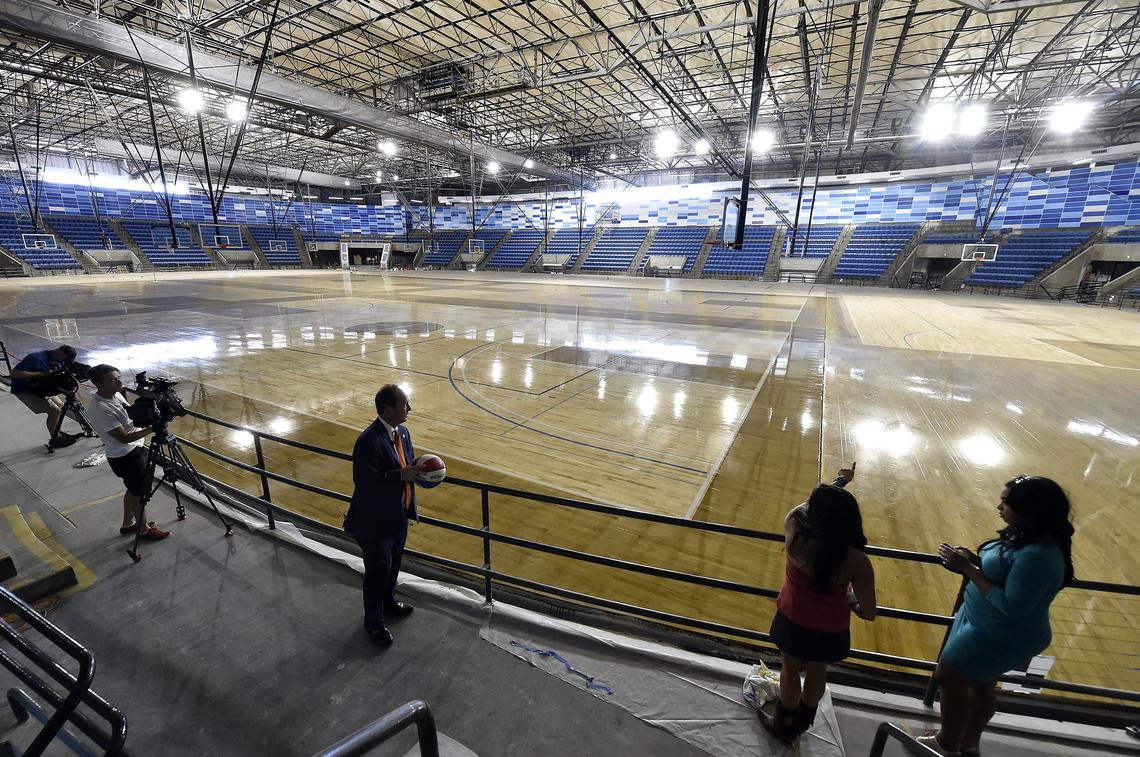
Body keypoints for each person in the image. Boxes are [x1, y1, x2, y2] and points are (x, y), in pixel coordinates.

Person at [920, 476, 1075, 757]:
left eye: (1006, 502)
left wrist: (967, 569)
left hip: (1002, 632)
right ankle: (968, 744)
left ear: (1030, 511)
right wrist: (975, 562)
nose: (998, 506)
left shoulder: (1037, 556)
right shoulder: (1028, 537)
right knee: (981, 684)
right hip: (985, 623)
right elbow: (1008, 577)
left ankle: (947, 744)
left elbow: (1011, 606)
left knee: (950, 677)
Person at [760, 463, 876, 743]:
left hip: (792, 615)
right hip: (831, 628)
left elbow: (807, 507)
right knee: (817, 670)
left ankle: (784, 723)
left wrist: (839, 481)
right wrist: (851, 600)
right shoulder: (857, 560)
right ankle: (803, 719)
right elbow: (869, 612)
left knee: (789, 669)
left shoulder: (794, 529)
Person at [344, 384, 425, 646]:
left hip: (398, 517)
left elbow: (407, 466)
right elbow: (365, 482)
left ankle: (388, 603)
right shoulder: (369, 441)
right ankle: (373, 624)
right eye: (404, 405)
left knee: (392, 568)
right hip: (375, 523)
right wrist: (401, 475)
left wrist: (420, 471)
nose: (409, 409)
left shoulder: (403, 432)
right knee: (377, 574)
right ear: (388, 409)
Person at [86, 364, 170, 541]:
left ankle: (129, 523)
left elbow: (130, 418)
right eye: (111, 380)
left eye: (118, 377)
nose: (118, 381)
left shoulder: (114, 394)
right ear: (98, 384)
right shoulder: (101, 408)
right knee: (140, 493)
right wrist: (153, 428)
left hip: (132, 450)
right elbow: (123, 438)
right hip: (126, 455)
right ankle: (144, 530)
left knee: (132, 489)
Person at [9, 344, 84, 447]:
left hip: (44, 388)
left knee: (61, 406)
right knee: (54, 411)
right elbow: (14, 373)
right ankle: (55, 439)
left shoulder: (58, 359)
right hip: (26, 390)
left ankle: (59, 433)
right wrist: (40, 374)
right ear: (60, 353)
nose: (63, 362)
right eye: (64, 358)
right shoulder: (36, 358)